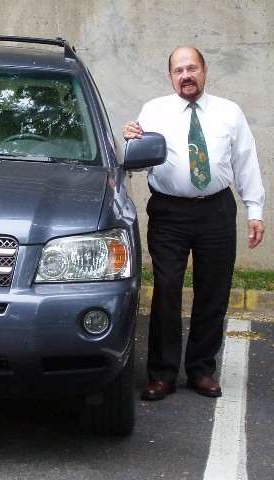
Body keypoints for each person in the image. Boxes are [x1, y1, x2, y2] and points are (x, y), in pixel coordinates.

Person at [123, 46, 265, 401]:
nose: (186, 76)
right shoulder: (154, 111)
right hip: (169, 212)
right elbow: (138, 163)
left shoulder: (229, 112)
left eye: (192, 68)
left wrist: (255, 210)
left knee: (213, 292)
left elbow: (246, 161)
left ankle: (201, 370)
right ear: (170, 76)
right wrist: (131, 142)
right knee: (167, 291)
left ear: (204, 70)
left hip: (216, 210)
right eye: (178, 71)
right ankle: (162, 374)